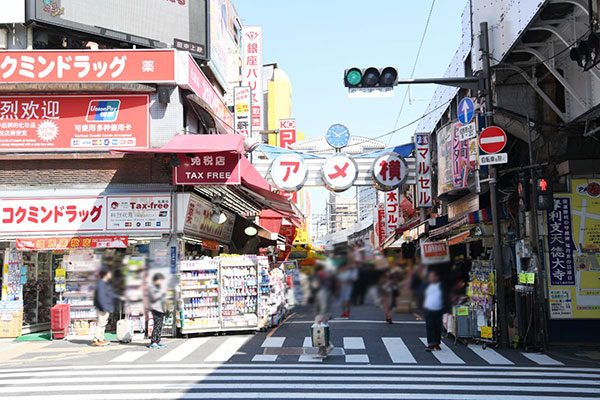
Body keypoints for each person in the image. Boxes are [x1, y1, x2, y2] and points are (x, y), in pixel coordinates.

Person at [93, 268, 122, 347]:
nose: (110, 275)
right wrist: (104, 307)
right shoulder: (101, 283)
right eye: (109, 273)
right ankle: (96, 339)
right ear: (105, 275)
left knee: (103, 323)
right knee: (101, 323)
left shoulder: (104, 283)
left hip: (105, 306)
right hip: (103, 307)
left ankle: (101, 339)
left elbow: (110, 294)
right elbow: (101, 296)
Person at [423, 269, 450, 351]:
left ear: (437, 277)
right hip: (428, 308)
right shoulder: (426, 285)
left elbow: (446, 296)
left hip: (438, 309)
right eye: (430, 276)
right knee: (430, 326)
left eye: (433, 276)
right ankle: (430, 344)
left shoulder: (442, 286)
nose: (431, 278)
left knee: (438, 327)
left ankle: (437, 343)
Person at [148, 273, 167, 349]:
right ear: (156, 280)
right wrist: (162, 293)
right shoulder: (151, 287)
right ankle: (153, 342)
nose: (161, 282)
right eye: (160, 280)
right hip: (155, 309)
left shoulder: (159, 287)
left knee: (160, 326)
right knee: (156, 325)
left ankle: (158, 340)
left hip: (161, 308)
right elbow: (154, 297)